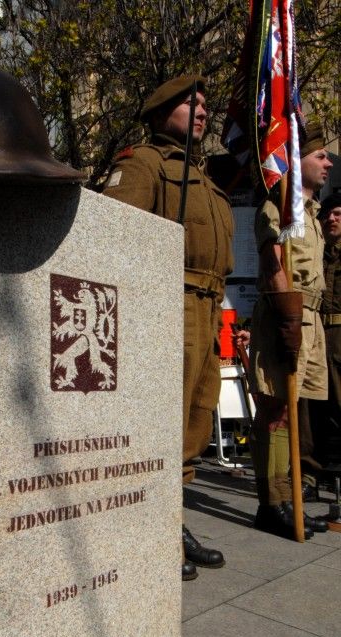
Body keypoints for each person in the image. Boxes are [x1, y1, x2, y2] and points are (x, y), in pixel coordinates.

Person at [103, 75, 234, 580]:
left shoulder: (209, 183)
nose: (201, 110)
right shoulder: (144, 164)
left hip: (207, 308)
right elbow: (114, 237)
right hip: (167, 306)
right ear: (160, 113)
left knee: (194, 422)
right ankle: (149, 531)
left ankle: (170, 522)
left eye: (204, 104)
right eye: (188, 103)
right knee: (160, 423)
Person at [248, 122, 333, 538]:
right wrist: (286, 318)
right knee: (274, 411)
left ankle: (291, 499)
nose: (328, 162)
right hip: (286, 313)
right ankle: (273, 503)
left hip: (309, 318)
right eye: (320, 156)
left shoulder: (312, 215)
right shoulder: (278, 207)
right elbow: (273, 265)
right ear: (297, 160)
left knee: (292, 409)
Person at [299, 191, 341, 495]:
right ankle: (308, 475)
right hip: (316, 331)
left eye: (338, 213)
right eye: (327, 214)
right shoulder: (317, 249)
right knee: (310, 407)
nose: (331, 219)